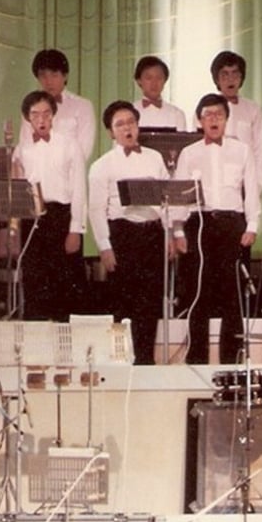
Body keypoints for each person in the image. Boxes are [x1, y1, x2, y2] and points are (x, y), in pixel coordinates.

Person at [174, 93, 260, 365]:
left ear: (226, 119)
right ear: (199, 120)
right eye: (208, 115)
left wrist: (253, 224)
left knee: (232, 295)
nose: (213, 119)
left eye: (219, 115)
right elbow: (179, 195)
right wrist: (178, 231)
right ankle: (196, 358)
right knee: (198, 292)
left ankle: (231, 361)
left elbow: (252, 191)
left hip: (232, 224)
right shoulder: (189, 153)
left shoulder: (242, 150)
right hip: (199, 224)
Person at [87, 100, 170, 364]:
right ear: (111, 132)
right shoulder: (102, 165)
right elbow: (96, 209)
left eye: (131, 122)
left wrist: (168, 234)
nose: (127, 128)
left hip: (152, 234)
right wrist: (104, 246)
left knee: (150, 302)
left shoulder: (155, 158)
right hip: (122, 235)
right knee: (122, 303)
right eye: (120, 124)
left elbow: (165, 199)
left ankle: (146, 360)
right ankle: (120, 360)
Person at [12, 90, 88, 322]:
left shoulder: (69, 144)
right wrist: (14, 229)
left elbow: (79, 188)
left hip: (62, 218)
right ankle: (37, 352)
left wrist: (76, 229)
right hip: (33, 219)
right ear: (28, 118)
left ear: (53, 115)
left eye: (46, 113)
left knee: (65, 285)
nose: (41, 119)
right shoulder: (21, 150)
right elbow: (17, 190)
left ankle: (67, 351)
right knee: (35, 283)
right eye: (35, 114)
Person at [19, 49, 96, 161]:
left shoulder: (83, 106)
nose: (49, 81)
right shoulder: (30, 106)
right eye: (43, 76)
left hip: (71, 173)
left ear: (65, 76)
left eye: (54, 75)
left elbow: (85, 149)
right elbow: (26, 144)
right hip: (37, 173)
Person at [210, 50, 262, 191]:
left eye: (235, 74)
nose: (230, 79)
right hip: (215, 181)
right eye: (225, 74)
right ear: (217, 79)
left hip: (245, 181)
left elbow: (260, 151)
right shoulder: (206, 108)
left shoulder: (253, 109)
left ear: (241, 78)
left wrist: (256, 186)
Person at [133, 55, 189, 132]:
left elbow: (181, 143)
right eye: (149, 78)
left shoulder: (177, 114)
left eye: (159, 78)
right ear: (139, 80)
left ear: (165, 81)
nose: (154, 83)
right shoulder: (129, 112)